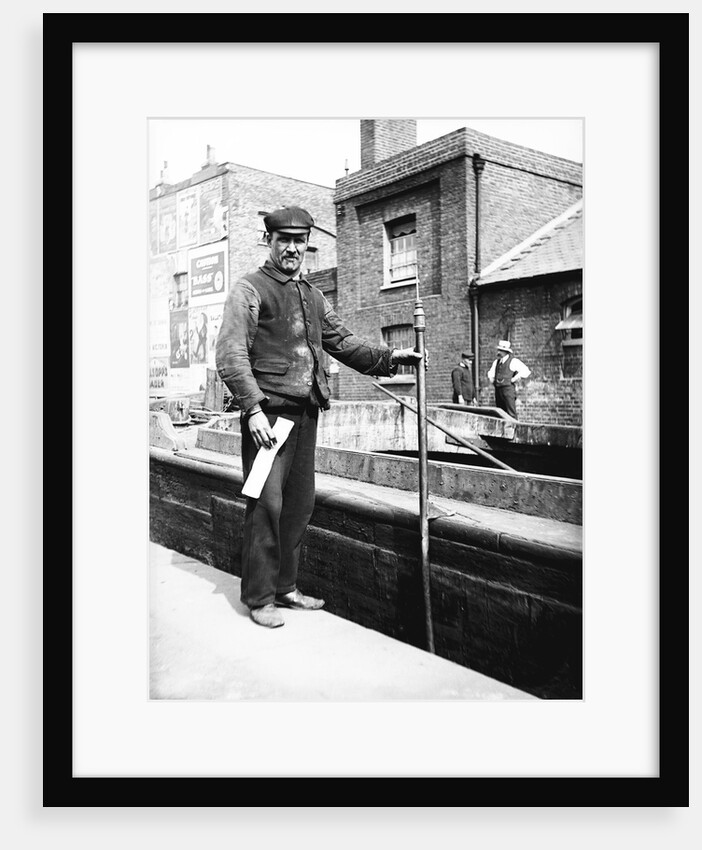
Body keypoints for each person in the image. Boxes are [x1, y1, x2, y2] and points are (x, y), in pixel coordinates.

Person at [215, 206, 425, 628]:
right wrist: (252, 409)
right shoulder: (249, 289)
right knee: (265, 503)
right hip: (268, 419)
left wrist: (393, 358)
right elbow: (230, 353)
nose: (292, 249)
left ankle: (285, 588)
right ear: (269, 242)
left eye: (299, 243)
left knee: (298, 504)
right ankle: (259, 597)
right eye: (284, 241)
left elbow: (343, 342)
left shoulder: (311, 295)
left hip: (306, 415)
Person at [487, 339, 531, 419]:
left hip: (508, 391)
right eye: (499, 350)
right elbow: (491, 373)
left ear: (505, 352)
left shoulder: (513, 361)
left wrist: (514, 378)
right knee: (500, 413)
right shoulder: (496, 362)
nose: (499, 352)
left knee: (511, 413)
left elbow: (526, 371)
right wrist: (492, 380)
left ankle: (513, 430)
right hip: (498, 391)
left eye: (501, 350)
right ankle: (503, 431)